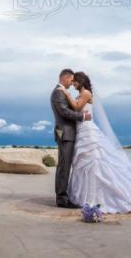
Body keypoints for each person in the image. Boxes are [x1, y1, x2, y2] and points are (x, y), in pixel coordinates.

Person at [59, 71, 131, 213]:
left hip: (88, 132)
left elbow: (77, 107)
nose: (74, 83)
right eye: (73, 81)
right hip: (81, 131)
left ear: (81, 81)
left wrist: (66, 93)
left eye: (75, 81)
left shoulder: (86, 93)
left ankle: (100, 197)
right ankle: (85, 196)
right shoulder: (80, 95)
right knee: (84, 164)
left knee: (96, 161)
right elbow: (76, 110)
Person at [50, 68, 91, 208]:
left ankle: (63, 195)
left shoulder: (62, 92)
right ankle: (61, 198)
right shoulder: (58, 92)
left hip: (68, 132)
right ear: (65, 78)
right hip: (65, 133)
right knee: (64, 165)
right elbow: (64, 112)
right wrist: (83, 116)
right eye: (71, 80)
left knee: (65, 164)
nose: (72, 82)